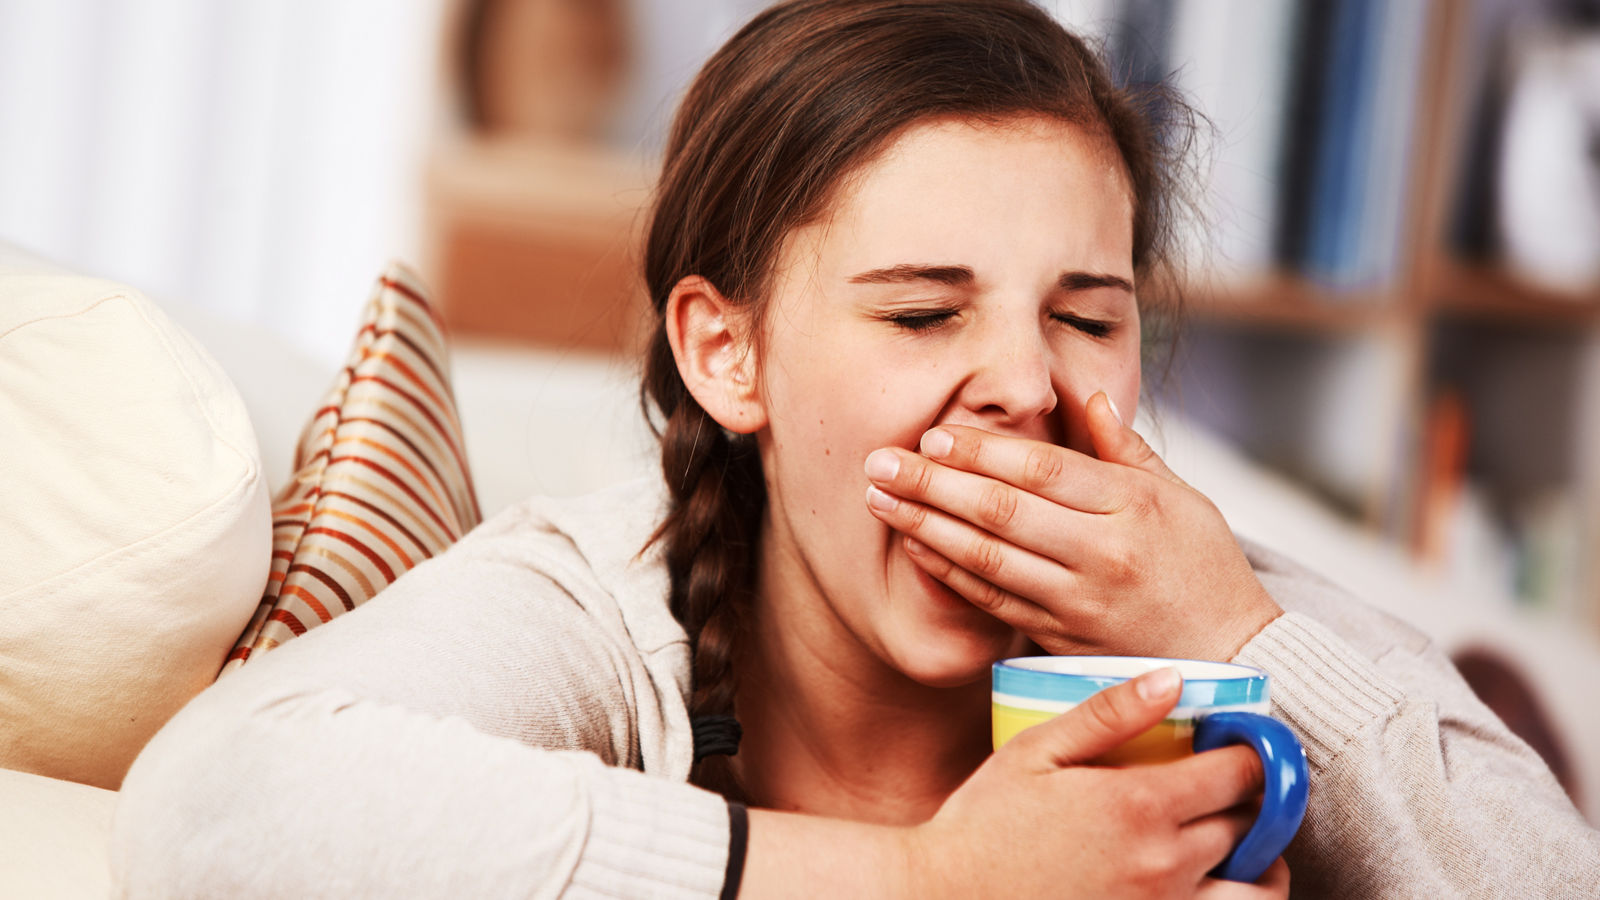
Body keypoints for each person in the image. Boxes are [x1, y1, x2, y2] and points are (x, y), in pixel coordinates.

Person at [113, 1, 1599, 896]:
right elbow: (214, 814)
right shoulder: (601, 608)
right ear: (726, 354)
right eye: (922, 313)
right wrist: (928, 884)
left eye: (1087, 316)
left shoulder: (1201, 610)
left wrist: (1242, 628)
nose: (1024, 384)